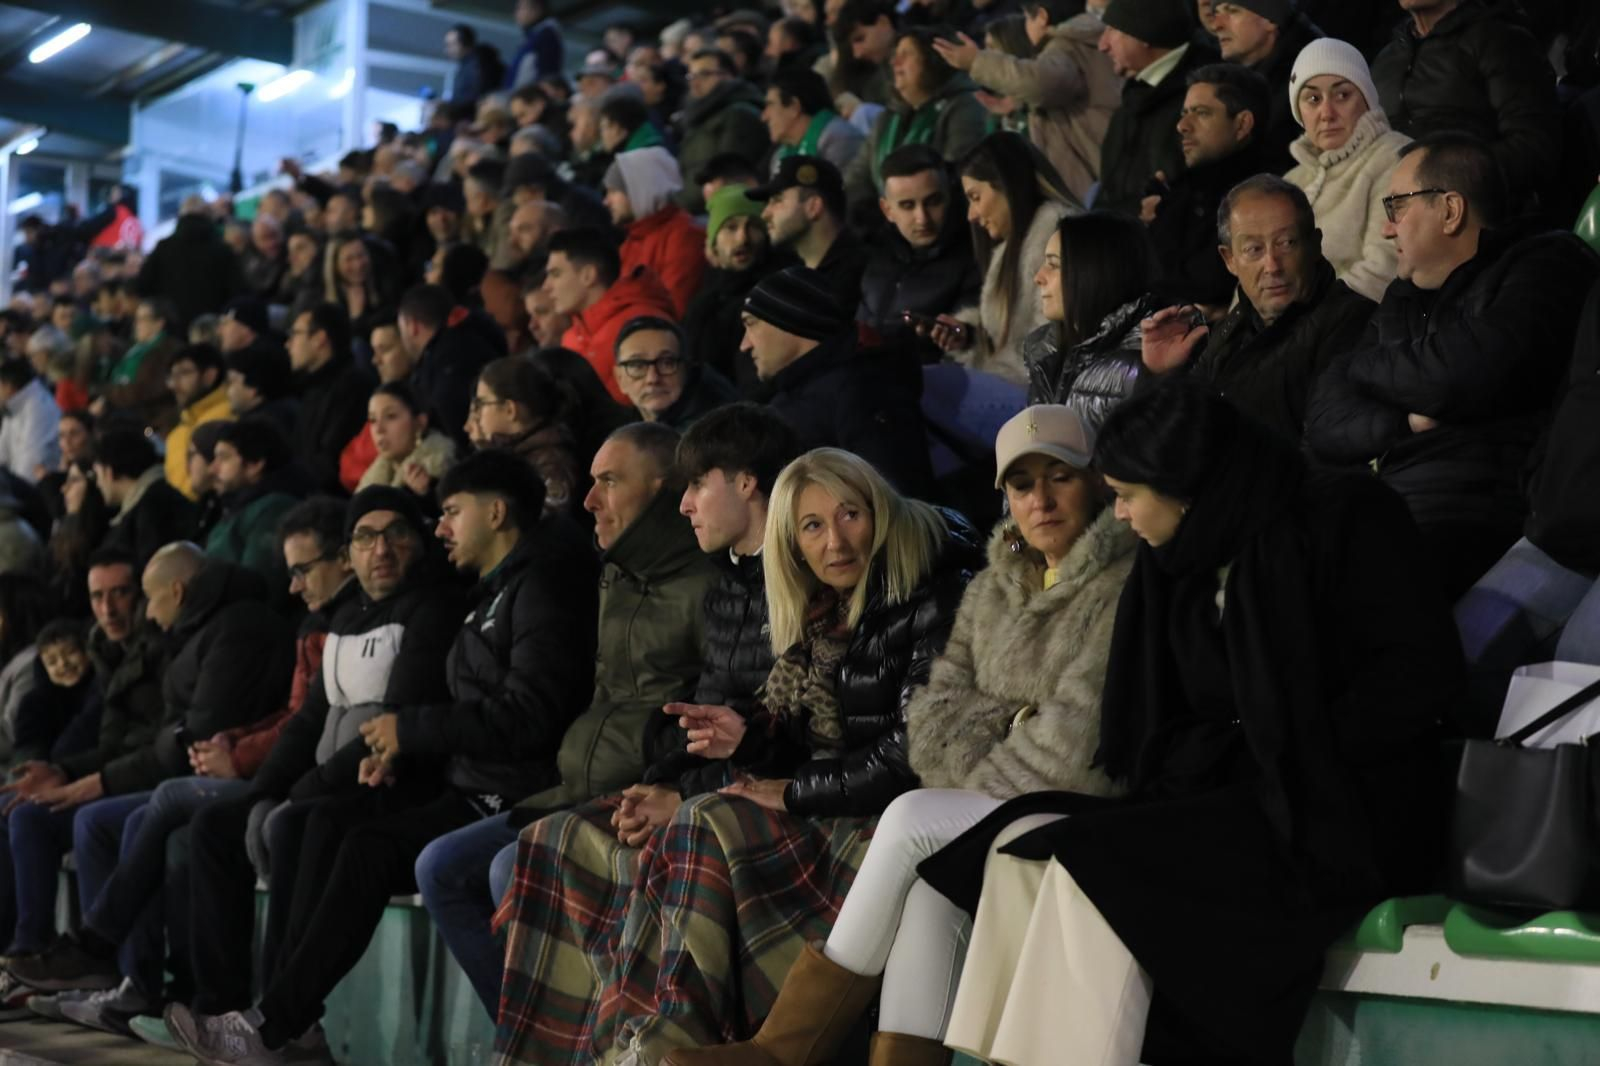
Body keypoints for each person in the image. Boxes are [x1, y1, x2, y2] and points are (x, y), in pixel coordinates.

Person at [916, 383, 1462, 1066]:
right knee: (1016, 854)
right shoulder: (1176, 561)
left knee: (1095, 869)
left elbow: (1418, 678)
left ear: (1181, 483)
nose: (1117, 513)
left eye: (1127, 494)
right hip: (1222, 792)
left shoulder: (1344, 516)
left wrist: (1289, 746)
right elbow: (1161, 722)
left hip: (1344, 803)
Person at [668, 404, 1135, 1066]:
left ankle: (783, 1046)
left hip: (1086, 803)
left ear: (1095, 482)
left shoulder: (1120, 580)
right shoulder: (1001, 583)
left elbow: (1075, 736)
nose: (1041, 499)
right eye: (1022, 484)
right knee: (926, 887)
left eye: (1060, 476)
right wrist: (1003, 727)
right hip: (991, 794)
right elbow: (939, 718)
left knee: (913, 819)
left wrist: (988, 740)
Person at [497, 447, 977, 1065]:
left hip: (878, 814)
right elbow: (795, 732)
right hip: (830, 795)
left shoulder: (936, 591)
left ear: (879, 515)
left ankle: (666, 1044)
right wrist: (744, 742)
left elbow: (913, 752)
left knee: (701, 822)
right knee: (554, 840)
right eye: (812, 525)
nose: (834, 541)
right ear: (792, 543)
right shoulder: (819, 608)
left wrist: (788, 790)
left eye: (850, 515)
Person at [1305, 133, 1600, 599]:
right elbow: (1323, 420)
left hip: (1475, 515)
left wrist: (1360, 369)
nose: (1388, 229)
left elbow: (1466, 373)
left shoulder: (1545, 265)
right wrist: (1404, 421)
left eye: (1397, 207)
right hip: (1389, 505)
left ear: (1450, 210)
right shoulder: (1402, 297)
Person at [1144, 174, 1376, 442]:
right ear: (1229, 259)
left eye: (1286, 243)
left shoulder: (1353, 322)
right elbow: (1182, 434)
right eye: (1254, 249)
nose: (1272, 266)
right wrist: (1165, 375)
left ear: (1314, 245)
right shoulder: (1233, 326)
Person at [744, 266, 935, 498]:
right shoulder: (789, 396)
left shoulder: (864, 391)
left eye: (751, 323)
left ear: (789, 320)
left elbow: (896, 500)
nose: (745, 344)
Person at [1371, 0, 1561, 208]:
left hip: (1477, 208)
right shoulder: (1387, 58)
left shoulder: (1500, 39)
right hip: (1393, 208)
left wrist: (1447, 174)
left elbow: (1534, 146)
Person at [933, 0, 1121, 206]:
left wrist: (976, 61)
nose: (1025, 26)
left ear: (1041, 17)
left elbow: (1041, 83)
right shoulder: (1086, 39)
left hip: (1103, 176)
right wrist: (1020, 104)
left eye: (1027, 18)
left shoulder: (1066, 45)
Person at [932, 132, 1074, 386]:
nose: (971, 215)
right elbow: (1006, 333)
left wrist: (987, 378)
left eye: (976, 197)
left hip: (1034, 394)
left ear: (1007, 185)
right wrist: (969, 336)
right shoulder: (1012, 246)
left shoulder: (1055, 237)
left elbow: (1051, 347)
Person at [1279, 39, 1413, 303]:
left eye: (1342, 95)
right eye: (1313, 99)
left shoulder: (1396, 157)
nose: (1327, 113)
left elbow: (1386, 267)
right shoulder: (1291, 181)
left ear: (1367, 99)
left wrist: (1307, 320)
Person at [1145, 63, 1271, 309]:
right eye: (1184, 113)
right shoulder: (1181, 191)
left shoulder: (1260, 197)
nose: (1182, 126)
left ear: (1242, 124)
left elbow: (1206, 285)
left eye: (1201, 113)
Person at [1022, 213, 1154, 428]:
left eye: (1053, 265)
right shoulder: (1045, 350)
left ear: (1093, 272)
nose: (1038, 277)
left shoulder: (1140, 362)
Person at [857, 145, 982, 366]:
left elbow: (977, 334)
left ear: (949, 196)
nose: (922, 218)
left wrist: (963, 335)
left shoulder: (975, 255)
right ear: (887, 210)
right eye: (907, 206)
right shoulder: (873, 252)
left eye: (933, 202)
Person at [1095, 0, 1220, 216]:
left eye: (1113, 29)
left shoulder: (1205, 98)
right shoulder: (1133, 99)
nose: (1102, 45)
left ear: (1144, 34)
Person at [844, 27, 989, 209]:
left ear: (934, 59)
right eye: (895, 55)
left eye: (906, 54)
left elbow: (958, 175)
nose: (895, 62)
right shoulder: (888, 117)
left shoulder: (965, 106)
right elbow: (857, 177)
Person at [544, 228, 676, 406]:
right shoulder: (571, 336)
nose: (546, 286)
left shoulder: (643, 322)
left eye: (556, 274)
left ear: (588, 275)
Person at [683, 185, 794, 393]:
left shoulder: (778, 293)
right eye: (731, 227)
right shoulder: (704, 300)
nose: (743, 238)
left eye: (753, 226)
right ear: (713, 243)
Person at [1207, 0, 1322, 164]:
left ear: (1270, 20)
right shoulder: (1229, 80)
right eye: (1216, 13)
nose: (1216, 25)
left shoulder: (1312, 77)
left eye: (1232, 11)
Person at [750, 156, 869, 312]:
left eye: (777, 200)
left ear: (813, 207)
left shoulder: (861, 275)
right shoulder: (792, 276)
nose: (765, 214)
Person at [470, 356, 583, 517]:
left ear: (509, 410)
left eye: (481, 404)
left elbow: (547, 522)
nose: (477, 414)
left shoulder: (552, 463)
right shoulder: (503, 452)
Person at [397, 283, 505, 446]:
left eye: (401, 328)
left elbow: (458, 434)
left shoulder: (448, 366)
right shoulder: (476, 336)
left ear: (412, 326)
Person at [605, 148, 708, 317]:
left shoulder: (684, 236)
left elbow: (674, 306)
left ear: (639, 190)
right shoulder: (632, 240)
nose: (606, 201)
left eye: (614, 191)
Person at [287, 303, 375, 495]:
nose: (288, 344)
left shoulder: (352, 387)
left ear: (319, 339)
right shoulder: (313, 387)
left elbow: (330, 464)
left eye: (295, 334)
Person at [204, 420, 304, 584]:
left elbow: (257, 582)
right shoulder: (234, 507)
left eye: (224, 458)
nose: (212, 469)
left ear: (255, 464)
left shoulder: (273, 510)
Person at [675, 48, 771, 215]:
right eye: (691, 76)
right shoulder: (698, 118)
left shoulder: (739, 115)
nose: (695, 83)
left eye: (704, 74)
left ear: (728, 76)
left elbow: (730, 177)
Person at [90, 429, 198, 569]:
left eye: (97, 474)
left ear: (109, 472)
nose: (98, 484)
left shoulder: (153, 508)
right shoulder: (154, 498)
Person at [136, 196, 243, 327]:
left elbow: (142, 287)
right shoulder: (222, 249)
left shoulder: (164, 248)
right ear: (208, 216)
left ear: (181, 215)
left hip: (173, 328)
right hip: (212, 328)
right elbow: (237, 292)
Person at [613, 315, 737, 428]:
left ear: (686, 368)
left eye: (666, 363)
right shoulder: (628, 427)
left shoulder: (717, 427)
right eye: (637, 366)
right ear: (619, 378)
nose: (652, 378)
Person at [357, 382, 459, 499]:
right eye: (373, 420)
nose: (378, 429)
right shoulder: (374, 479)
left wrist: (426, 495)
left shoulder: (441, 472)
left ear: (420, 422)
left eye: (390, 416)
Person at [94, 298, 181, 432]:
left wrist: (106, 392)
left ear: (159, 323)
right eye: (136, 319)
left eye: (142, 319)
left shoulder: (166, 351)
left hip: (149, 421)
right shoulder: (134, 349)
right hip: (124, 413)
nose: (136, 324)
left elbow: (141, 391)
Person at [762, 68, 867, 175]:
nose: (764, 117)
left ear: (794, 107)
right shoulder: (779, 157)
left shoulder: (841, 139)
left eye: (770, 105)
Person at [163, 344, 232, 501]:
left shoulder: (224, 418)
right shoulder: (180, 428)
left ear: (209, 376)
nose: (175, 385)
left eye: (184, 373)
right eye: (172, 377)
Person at [0, 359, 60, 482]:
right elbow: (2, 455)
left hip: (37, 488)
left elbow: (29, 466)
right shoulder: (12, 406)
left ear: (8, 386)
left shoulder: (39, 407)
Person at [223, 346, 298, 436]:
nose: (225, 390)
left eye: (231, 382)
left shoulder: (257, 430)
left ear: (252, 388)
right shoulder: (287, 412)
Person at [507, 0, 565, 90]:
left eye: (520, 8)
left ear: (536, 10)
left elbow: (546, 76)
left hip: (527, 95)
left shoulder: (546, 37)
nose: (516, 13)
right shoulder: (534, 36)